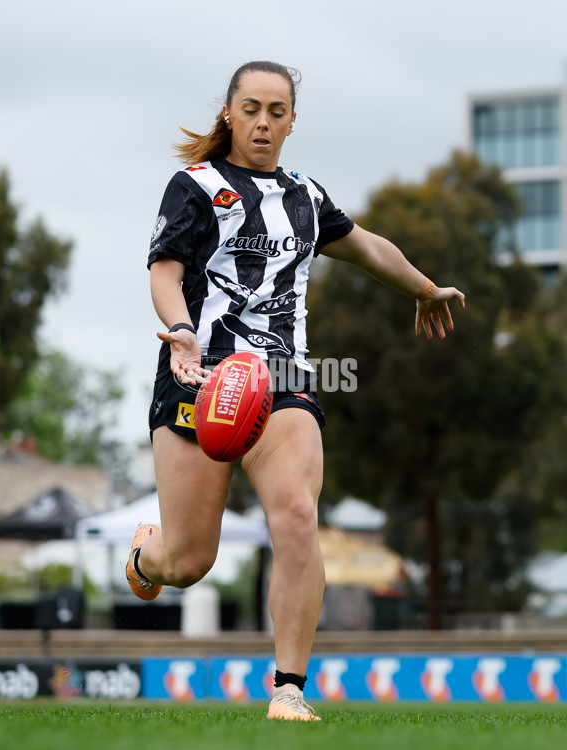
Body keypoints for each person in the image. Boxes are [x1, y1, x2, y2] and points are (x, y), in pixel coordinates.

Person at [126, 60, 465, 721]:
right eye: (250, 108)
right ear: (230, 113)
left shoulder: (306, 196)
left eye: (276, 111)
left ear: (292, 122)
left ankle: (287, 688)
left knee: (300, 517)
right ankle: (149, 552)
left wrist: (425, 288)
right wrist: (180, 331)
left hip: (284, 379)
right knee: (190, 561)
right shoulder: (193, 187)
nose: (262, 122)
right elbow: (164, 272)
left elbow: (367, 248)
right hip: (199, 376)